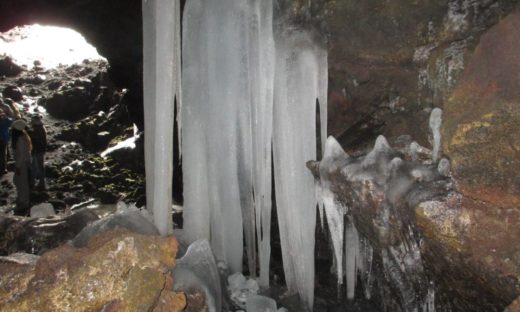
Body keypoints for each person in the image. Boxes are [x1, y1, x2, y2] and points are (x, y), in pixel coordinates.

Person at [11, 119, 32, 213]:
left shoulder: (20, 139)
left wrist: (18, 166)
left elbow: (21, 154)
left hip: (22, 163)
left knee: (21, 182)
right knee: (19, 181)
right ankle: (22, 199)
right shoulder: (24, 136)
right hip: (24, 161)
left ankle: (24, 202)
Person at [28, 114, 47, 189]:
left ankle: (41, 182)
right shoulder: (38, 127)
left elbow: (35, 137)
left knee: (38, 166)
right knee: (35, 165)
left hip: (39, 149)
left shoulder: (40, 128)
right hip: (37, 149)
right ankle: (35, 181)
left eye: (33, 120)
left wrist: (29, 132)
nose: (32, 121)